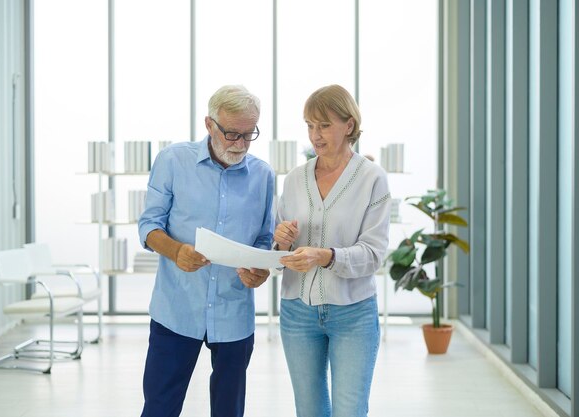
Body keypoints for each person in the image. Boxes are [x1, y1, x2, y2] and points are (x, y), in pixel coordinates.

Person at [138, 85, 275, 417]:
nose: (240, 144)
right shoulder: (173, 160)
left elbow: (264, 238)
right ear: (209, 125)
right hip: (176, 309)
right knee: (160, 407)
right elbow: (148, 225)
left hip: (234, 314)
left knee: (229, 411)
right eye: (232, 134)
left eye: (249, 134)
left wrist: (260, 270)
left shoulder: (263, 175)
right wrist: (176, 251)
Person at [274, 84, 391, 417]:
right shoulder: (294, 179)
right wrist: (282, 240)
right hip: (297, 311)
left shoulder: (372, 179)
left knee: (349, 411)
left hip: (353, 313)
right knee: (309, 411)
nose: (315, 135)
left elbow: (374, 254)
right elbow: (280, 250)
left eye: (324, 125)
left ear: (349, 125)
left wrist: (326, 256)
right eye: (310, 125)